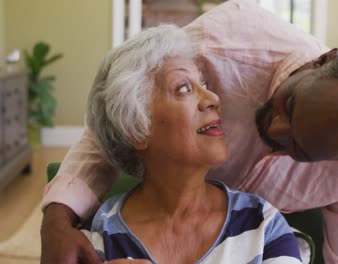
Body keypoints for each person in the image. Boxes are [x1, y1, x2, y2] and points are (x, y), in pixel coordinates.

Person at [40, 0, 338, 263]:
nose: (274, 129)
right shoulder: (221, 44)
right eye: (291, 105)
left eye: (298, 149)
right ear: (323, 60)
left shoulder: (270, 231)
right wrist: (56, 221)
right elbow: (120, 112)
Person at [79, 25, 302, 263]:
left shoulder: (263, 225)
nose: (213, 99)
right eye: (184, 88)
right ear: (137, 129)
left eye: (204, 85)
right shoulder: (100, 235)